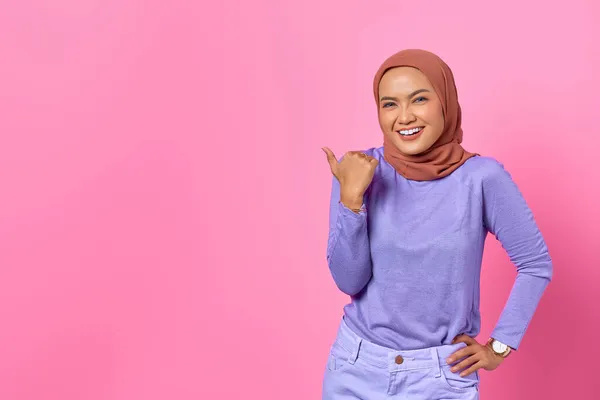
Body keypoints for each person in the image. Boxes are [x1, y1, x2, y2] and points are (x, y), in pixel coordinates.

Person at [320, 49, 553, 399]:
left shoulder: (481, 179)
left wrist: (499, 347)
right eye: (389, 104)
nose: (404, 116)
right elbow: (348, 280)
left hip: (440, 377)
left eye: (419, 99)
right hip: (355, 368)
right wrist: (351, 202)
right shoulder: (358, 171)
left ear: (445, 101)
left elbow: (535, 265)